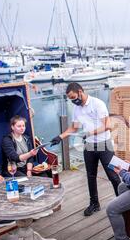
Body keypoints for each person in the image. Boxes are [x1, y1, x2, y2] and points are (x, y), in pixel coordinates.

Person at [50, 83, 121, 216]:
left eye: (74, 97)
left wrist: (90, 133)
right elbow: (74, 128)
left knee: (113, 175)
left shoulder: (97, 104)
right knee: (91, 176)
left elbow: (108, 125)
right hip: (89, 146)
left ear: (80, 91)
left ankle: (122, 202)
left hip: (104, 144)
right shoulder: (77, 109)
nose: (73, 100)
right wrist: (60, 137)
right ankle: (94, 204)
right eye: (70, 99)